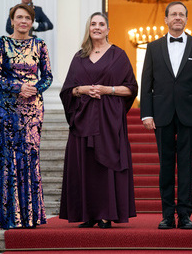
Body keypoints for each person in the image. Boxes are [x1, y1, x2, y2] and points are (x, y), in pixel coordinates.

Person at [59, 12, 138, 229]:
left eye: (101, 24)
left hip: (109, 120)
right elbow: (67, 90)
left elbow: (131, 88)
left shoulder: (119, 56)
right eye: (93, 24)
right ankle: (89, 213)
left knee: (106, 166)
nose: (97, 27)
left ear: (108, 29)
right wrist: (81, 89)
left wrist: (108, 89)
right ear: (89, 28)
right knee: (85, 167)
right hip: (82, 119)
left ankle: (106, 214)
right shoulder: (79, 57)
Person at [140, 1, 192, 230]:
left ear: (186, 19)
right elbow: (146, 83)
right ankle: (167, 214)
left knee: (186, 165)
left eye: (181, 14)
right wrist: (146, 114)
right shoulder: (153, 47)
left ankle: (185, 214)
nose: (177, 17)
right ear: (166, 19)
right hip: (162, 114)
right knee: (166, 165)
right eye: (173, 14)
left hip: (190, 114)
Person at [0, 4, 53, 229]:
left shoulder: (40, 45)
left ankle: (32, 216)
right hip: (8, 108)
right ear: (12, 20)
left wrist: (35, 88)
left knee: (30, 156)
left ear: (32, 21)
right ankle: (9, 216)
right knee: (9, 157)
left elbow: (47, 76)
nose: (23, 21)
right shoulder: (1, 43)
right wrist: (18, 87)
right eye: (19, 17)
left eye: (27, 18)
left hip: (33, 109)